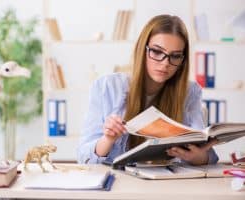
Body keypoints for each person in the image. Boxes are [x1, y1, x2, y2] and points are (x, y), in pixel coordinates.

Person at [77, 14, 218, 165]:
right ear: (142, 50)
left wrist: (197, 157)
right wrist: (108, 139)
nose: (165, 64)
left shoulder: (190, 91)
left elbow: (208, 155)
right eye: (157, 52)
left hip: (166, 183)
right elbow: (83, 158)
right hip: (119, 182)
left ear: (183, 60)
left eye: (175, 56)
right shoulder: (106, 87)